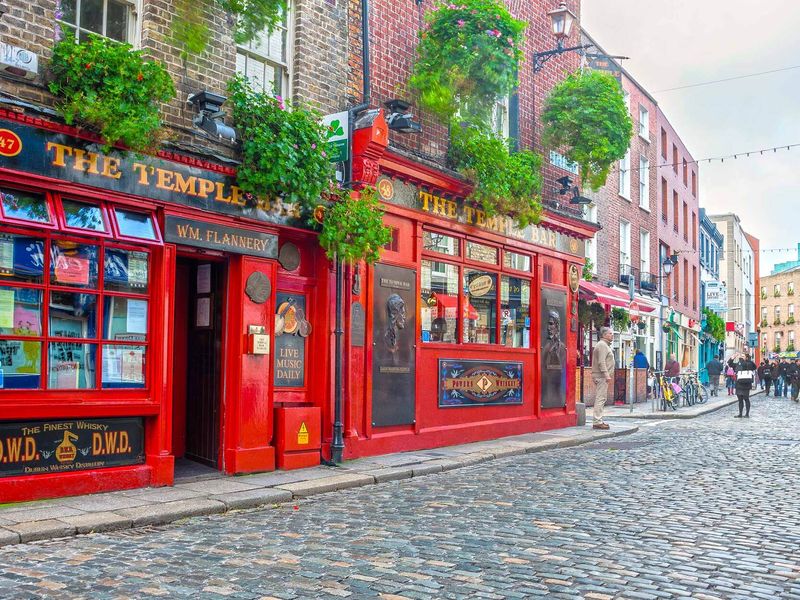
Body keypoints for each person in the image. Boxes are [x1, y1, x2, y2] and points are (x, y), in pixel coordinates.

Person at [591, 326, 615, 430]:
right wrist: (606, 375)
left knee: (602, 398)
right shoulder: (602, 345)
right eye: (610, 333)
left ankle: (598, 420)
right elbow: (601, 362)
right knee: (600, 398)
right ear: (604, 335)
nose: (612, 335)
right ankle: (597, 421)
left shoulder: (604, 345)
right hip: (601, 376)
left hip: (602, 376)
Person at [734, 353, 757, 418]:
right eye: (741, 356)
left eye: (743, 356)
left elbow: (754, 367)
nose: (741, 357)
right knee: (740, 400)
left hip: (746, 384)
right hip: (739, 383)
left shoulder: (748, 363)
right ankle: (740, 413)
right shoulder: (738, 363)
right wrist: (733, 357)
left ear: (746, 357)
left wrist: (747, 360)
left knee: (746, 399)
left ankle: (747, 413)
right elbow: (730, 364)